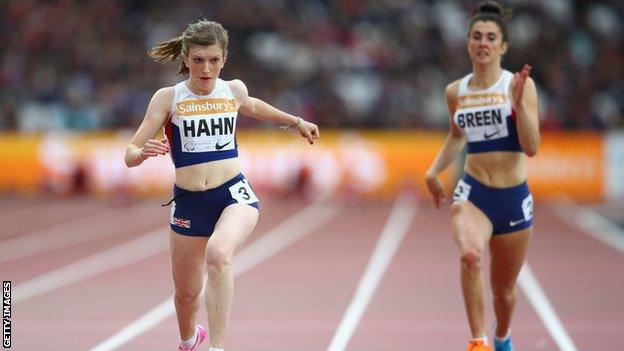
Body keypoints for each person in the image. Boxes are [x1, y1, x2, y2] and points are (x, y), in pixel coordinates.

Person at [124, 19, 319, 351]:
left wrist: (296, 121)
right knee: (186, 294)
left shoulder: (233, 89)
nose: (206, 68)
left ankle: (218, 347)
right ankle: (189, 340)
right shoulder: (168, 98)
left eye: (214, 60)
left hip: (232, 193)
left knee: (218, 255)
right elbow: (130, 153)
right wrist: (141, 154)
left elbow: (253, 106)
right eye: (198, 60)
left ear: (224, 60)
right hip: (188, 202)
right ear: (185, 59)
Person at [425, 1, 539, 351]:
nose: (483, 43)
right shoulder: (455, 92)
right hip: (473, 193)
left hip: (513, 197)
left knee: (504, 292)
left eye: (491, 37)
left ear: (503, 46)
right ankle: (479, 342)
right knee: (470, 257)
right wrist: (434, 170)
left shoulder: (518, 86)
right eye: (477, 36)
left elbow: (531, 147)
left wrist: (519, 106)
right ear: (468, 43)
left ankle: (502, 335)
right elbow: (458, 135)